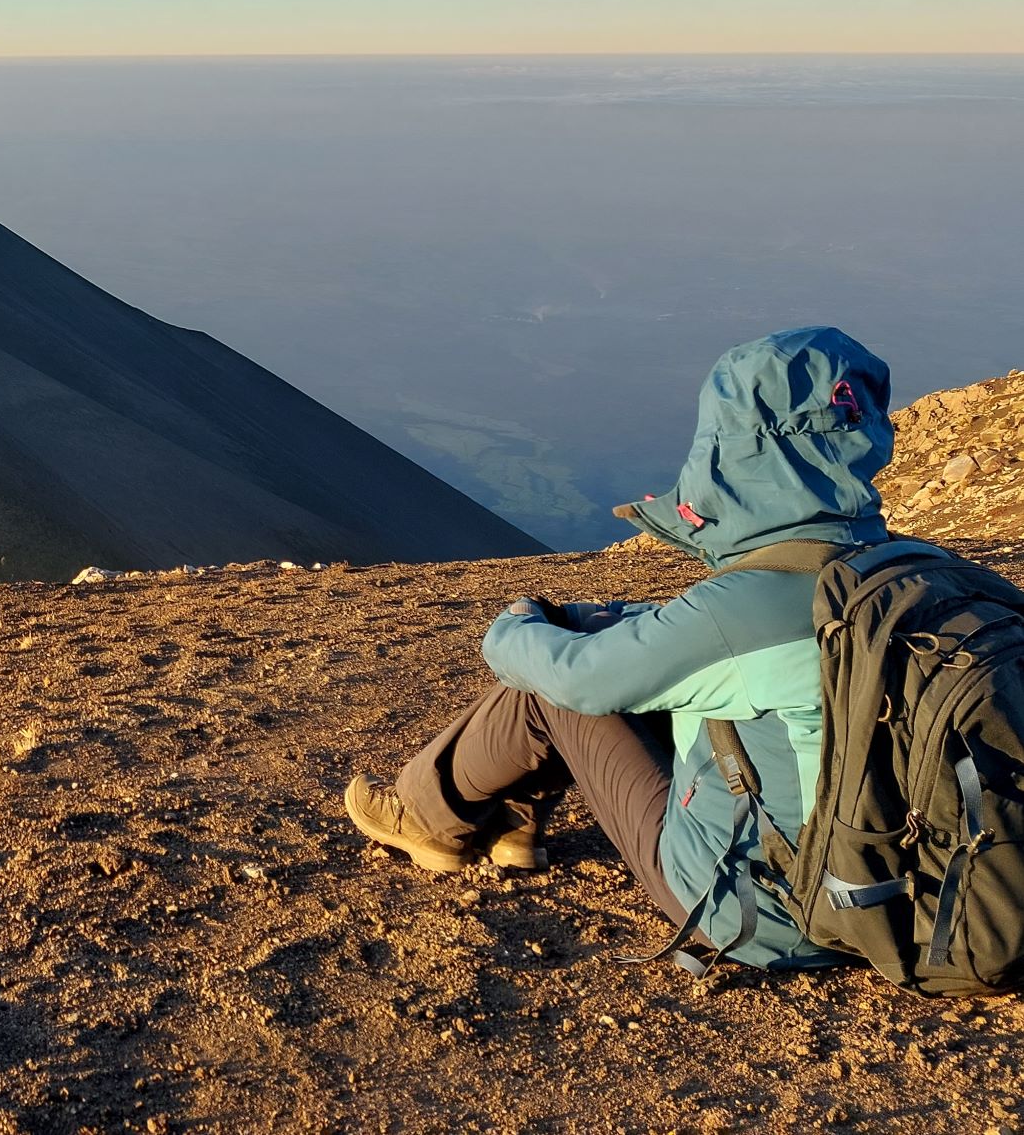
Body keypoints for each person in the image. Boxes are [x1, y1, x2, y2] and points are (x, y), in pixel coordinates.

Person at [345, 326, 897, 971]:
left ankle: (427, 817)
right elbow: (718, 642)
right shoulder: (925, 578)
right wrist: (622, 621)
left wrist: (517, 627)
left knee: (554, 687)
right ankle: (517, 824)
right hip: (920, 898)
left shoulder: (751, 604)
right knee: (639, 670)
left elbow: (582, 680)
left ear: (734, 451)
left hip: (775, 915)